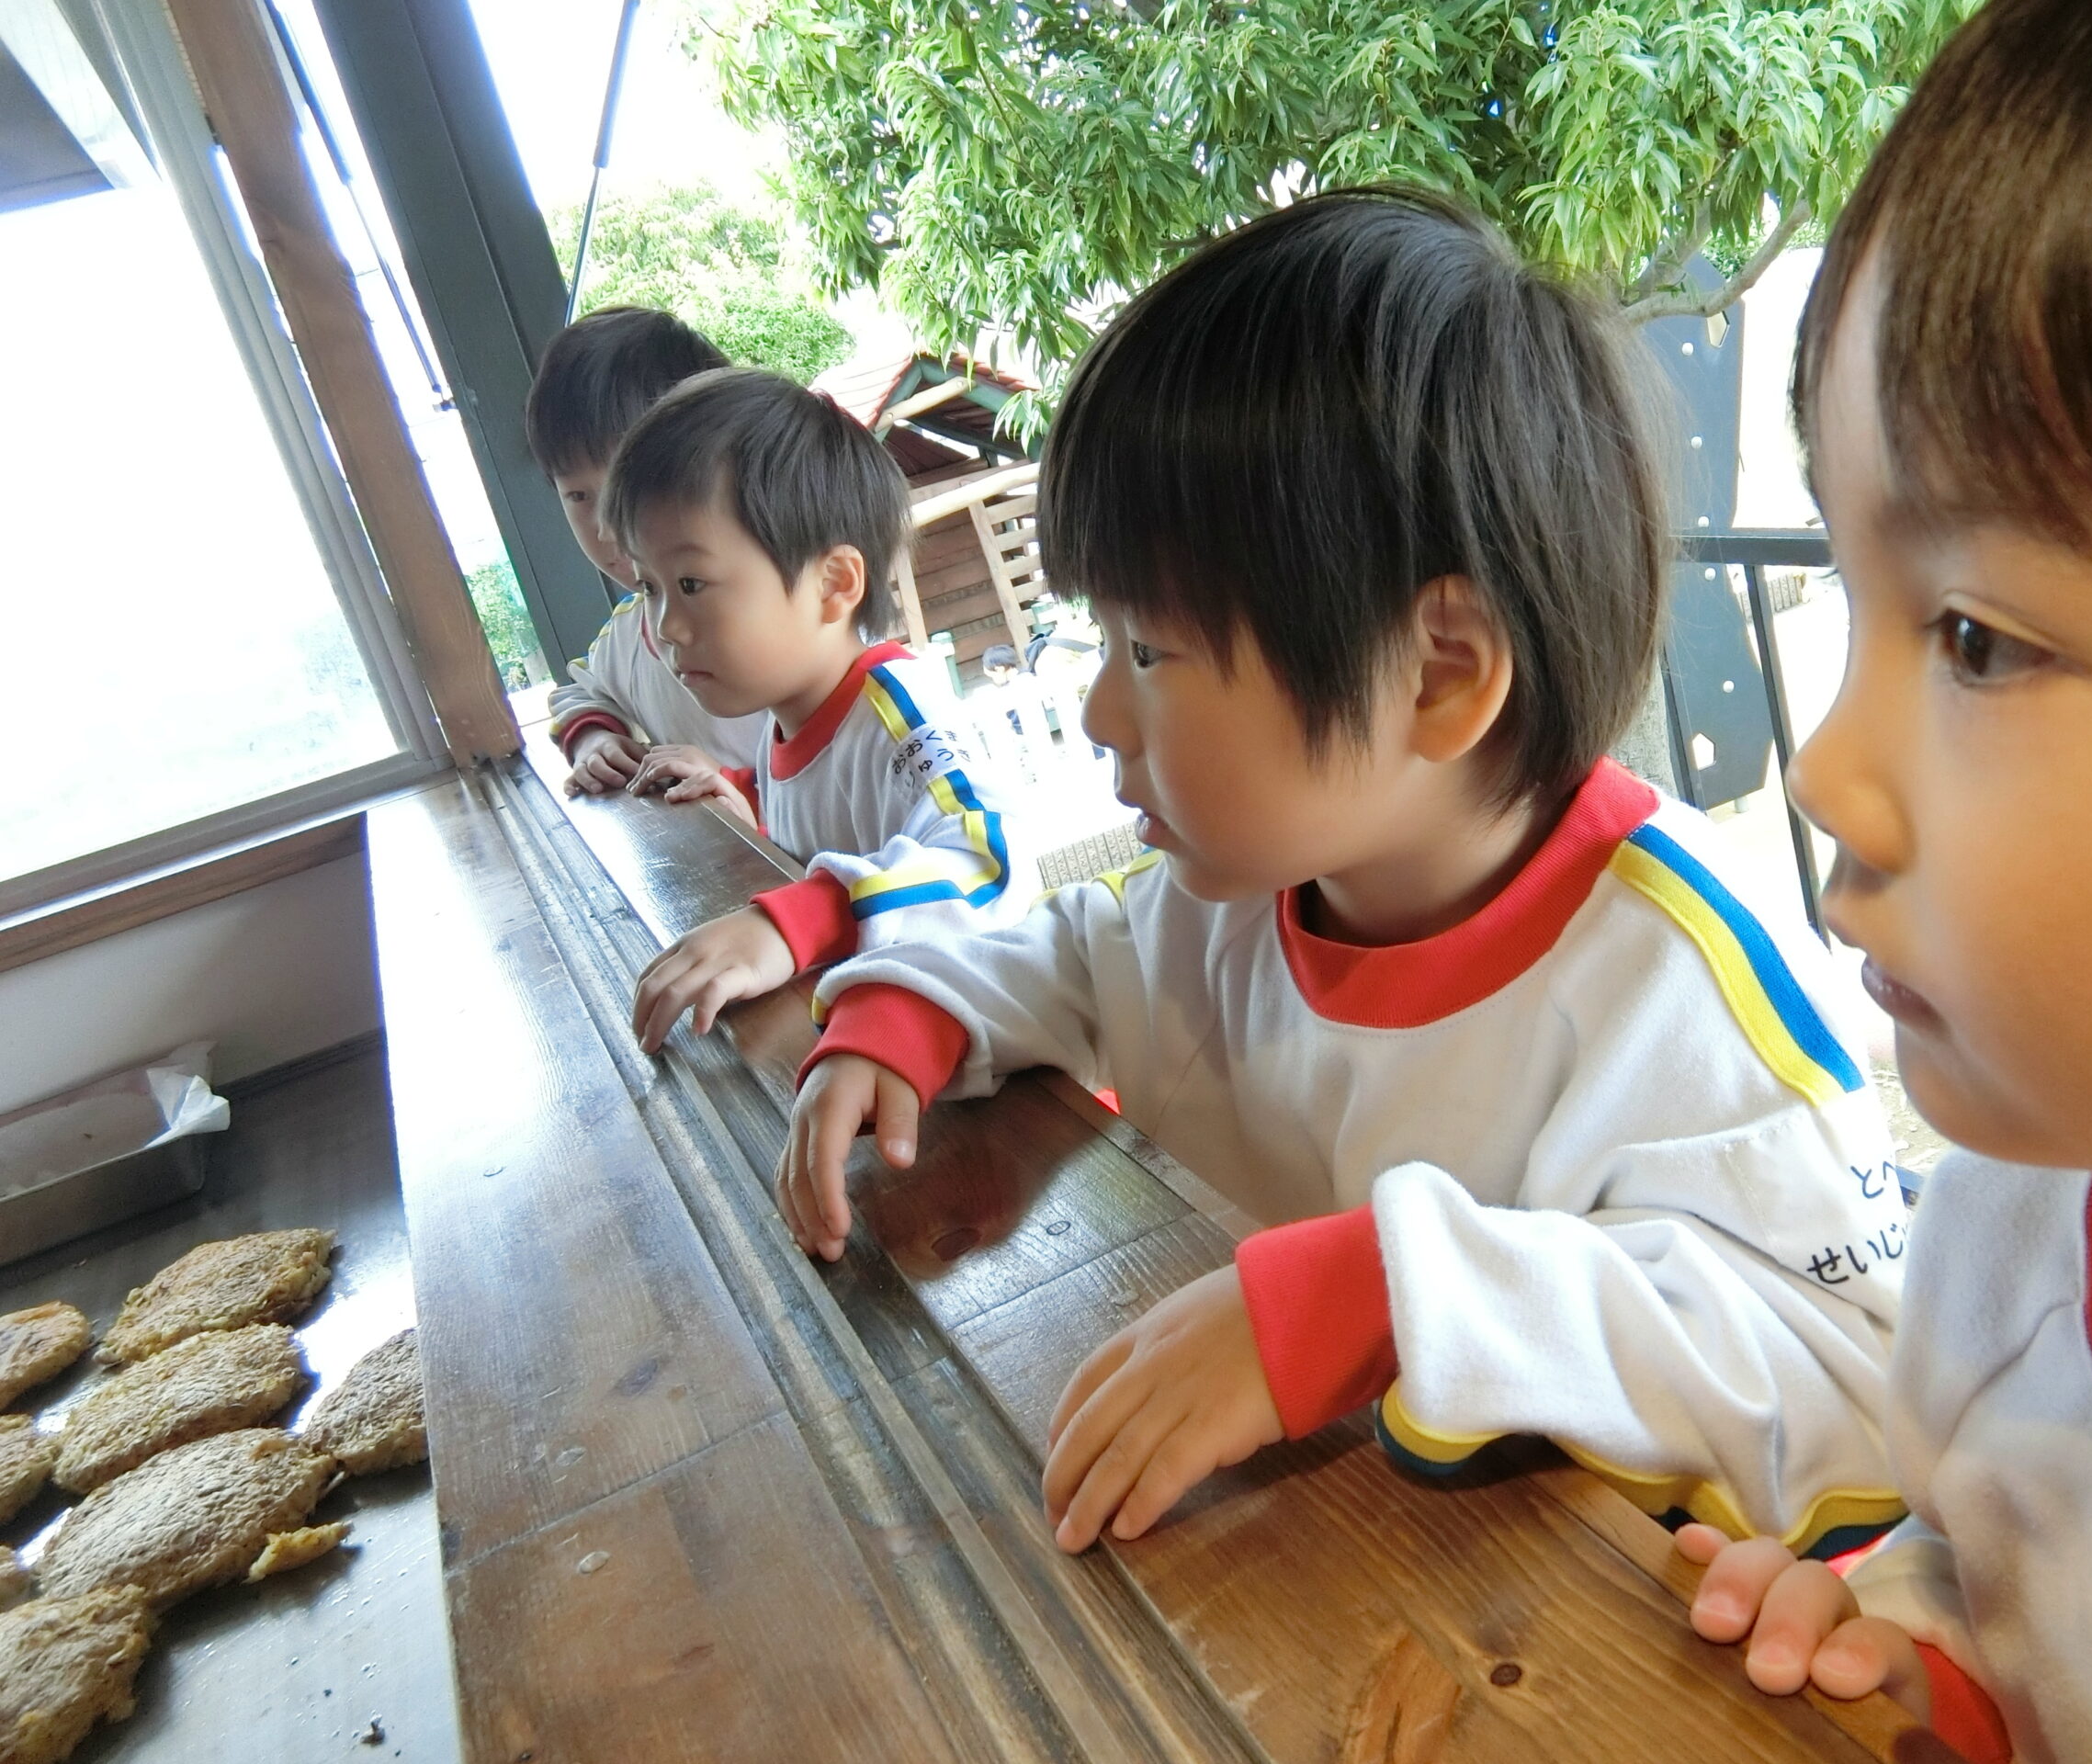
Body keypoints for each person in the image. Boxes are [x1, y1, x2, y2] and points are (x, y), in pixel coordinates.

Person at [785, 190, 1910, 1558]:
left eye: (1148, 651)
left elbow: (1856, 1382)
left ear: (1438, 674)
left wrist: (1391, 1297)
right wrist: (909, 1009)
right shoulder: (1227, 910)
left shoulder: (1685, 986)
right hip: (1332, 1565)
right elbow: (1070, 953)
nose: (1098, 714)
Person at [1671, 5, 2092, 1759]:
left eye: (1976, 637)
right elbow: (2015, 1600)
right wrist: (1930, 1678)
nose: (1825, 772)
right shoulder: (2011, 1247)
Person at [618, 369, 1039, 1052]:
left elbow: (992, 863)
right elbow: (824, 812)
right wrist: (744, 794)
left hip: (989, 1064)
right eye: (650, 586)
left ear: (833, 584)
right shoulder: (787, 717)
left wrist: (796, 922)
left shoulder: (900, 716)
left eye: (691, 583)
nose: (666, 625)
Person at [522, 305, 769, 795]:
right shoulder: (628, 635)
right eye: (578, 495)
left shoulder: (776, 621)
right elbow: (581, 692)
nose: (606, 526)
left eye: (625, 489)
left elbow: (831, 768)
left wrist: (731, 785)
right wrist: (594, 739)